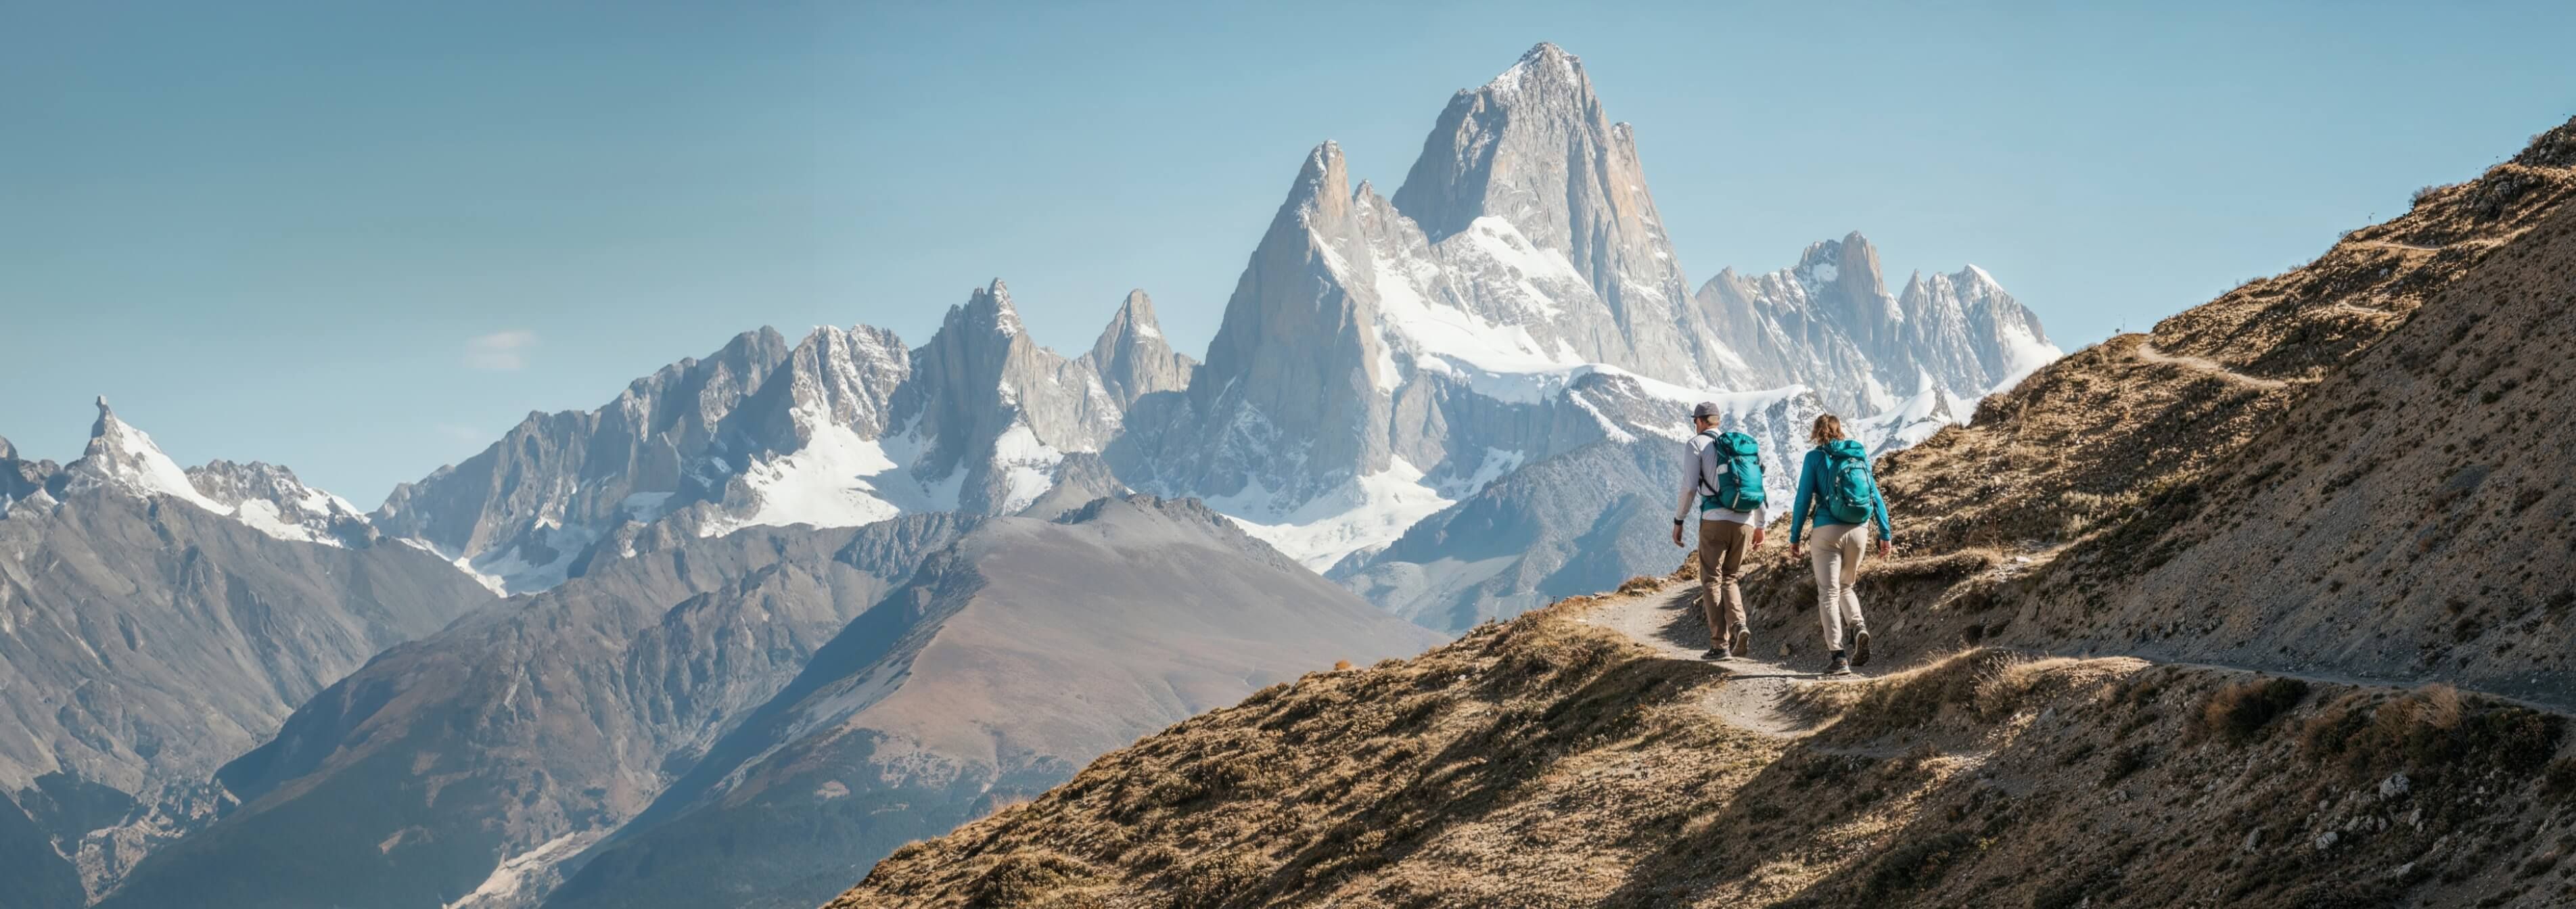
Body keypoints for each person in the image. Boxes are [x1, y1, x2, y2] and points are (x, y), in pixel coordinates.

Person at [1787, 414, 1893, 675]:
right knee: (1847, 585)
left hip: (1827, 530)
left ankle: (1838, 658)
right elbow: (1874, 494)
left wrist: (1795, 537)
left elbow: (1803, 500)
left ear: (1817, 432)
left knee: (1829, 593)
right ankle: (1858, 626)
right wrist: (1885, 534)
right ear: (1839, 431)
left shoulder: (1814, 458)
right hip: (1860, 530)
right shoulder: (1858, 455)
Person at [1671, 401, 1766, 660]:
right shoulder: (1739, 447)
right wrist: (1760, 524)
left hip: (1715, 519)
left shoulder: (1697, 444)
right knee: (1731, 578)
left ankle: (1719, 645)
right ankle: (1739, 625)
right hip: (1745, 522)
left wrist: (1679, 520)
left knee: (1712, 579)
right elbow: (1758, 486)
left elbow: (1690, 487)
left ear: (1700, 421)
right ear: (1718, 421)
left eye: (1695, 422)